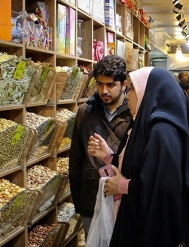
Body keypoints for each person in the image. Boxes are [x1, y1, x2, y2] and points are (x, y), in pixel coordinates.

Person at [88, 67, 189, 247]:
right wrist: (108, 156)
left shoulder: (162, 131)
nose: (127, 96)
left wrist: (122, 186)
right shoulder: (147, 125)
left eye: (132, 88)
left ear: (149, 92)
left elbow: (162, 190)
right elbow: (140, 166)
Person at [69, 55, 132, 239]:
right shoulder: (84, 112)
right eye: (99, 84)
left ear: (124, 84)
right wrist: (79, 203)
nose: (104, 90)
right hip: (92, 196)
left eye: (111, 85)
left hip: (124, 197)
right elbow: (76, 160)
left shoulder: (134, 111)